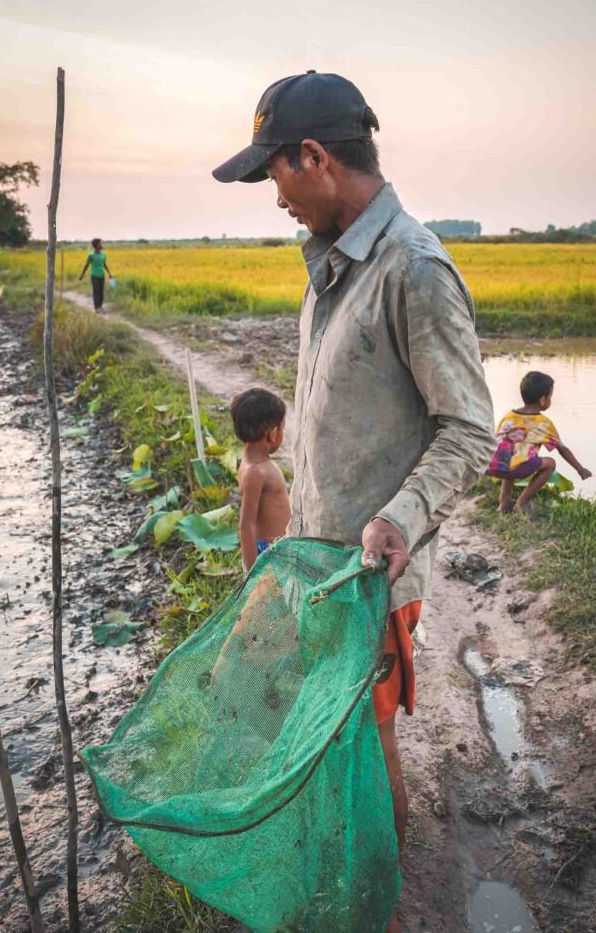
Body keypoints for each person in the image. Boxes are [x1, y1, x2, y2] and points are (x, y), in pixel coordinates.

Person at [213, 71, 495, 932]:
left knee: (366, 750)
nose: (276, 199)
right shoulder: (331, 266)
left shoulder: (412, 268)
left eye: (276, 176)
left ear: (315, 157)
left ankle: (378, 903)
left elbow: (470, 431)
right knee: (330, 738)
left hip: (369, 576)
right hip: (318, 565)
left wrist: (397, 519)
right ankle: (349, 877)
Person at [488, 370, 591, 513]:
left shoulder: (509, 416)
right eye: (550, 396)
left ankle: (503, 504)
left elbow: (497, 439)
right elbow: (562, 448)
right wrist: (580, 469)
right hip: (516, 468)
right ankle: (521, 504)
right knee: (550, 464)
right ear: (543, 399)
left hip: (493, 465)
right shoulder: (543, 423)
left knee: (510, 460)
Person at [230, 387, 291, 573]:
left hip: (277, 550)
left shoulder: (252, 462)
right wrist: (252, 573)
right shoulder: (256, 472)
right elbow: (246, 525)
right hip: (270, 556)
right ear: (272, 433)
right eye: (282, 429)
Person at [78, 238, 113, 313]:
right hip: (94, 276)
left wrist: (109, 273)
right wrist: (82, 275)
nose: (101, 245)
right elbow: (86, 266)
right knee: (96, 291)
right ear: (96, 245)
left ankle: (100, 306)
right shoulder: (91, 255)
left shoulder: (103, 255)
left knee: (101, 292)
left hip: (101, 275)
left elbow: (104, 264)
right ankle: (97, 308)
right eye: (100, 243)